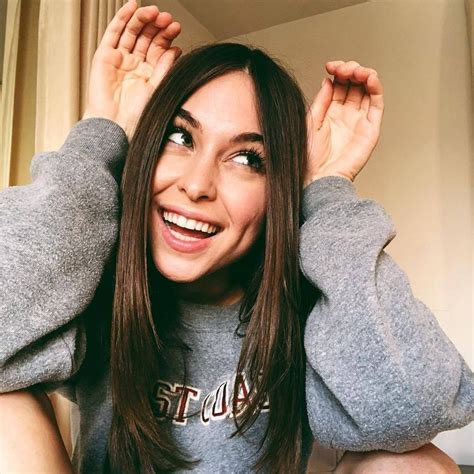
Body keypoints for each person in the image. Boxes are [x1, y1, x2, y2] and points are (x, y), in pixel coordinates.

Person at [0, 1, 471, 473]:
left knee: (412, 463)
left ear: (278, 194)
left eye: (247, 160)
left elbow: (409, 412)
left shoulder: (309, 312)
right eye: (179, 137)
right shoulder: (100, 290)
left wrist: (326, 193)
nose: (197, 184)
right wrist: (102, 136)